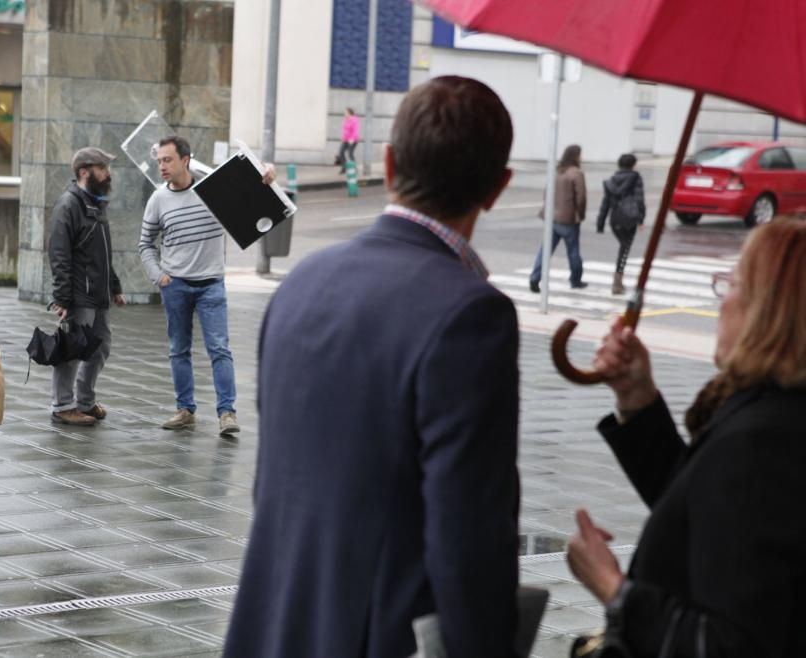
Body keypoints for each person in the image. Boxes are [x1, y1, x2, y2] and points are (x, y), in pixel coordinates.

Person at [224, 76, 521, 658]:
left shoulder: (302, 282)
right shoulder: (472, 314)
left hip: (275, 626)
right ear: (498, 188)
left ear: (387, 164)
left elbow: (273, 486)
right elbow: (469, 540)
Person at [567, 218, 806, 657]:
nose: (721, 302)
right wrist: (637, 400)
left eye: (731, 284)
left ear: (767, 310)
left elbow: (731, 647)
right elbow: (712, 517)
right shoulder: (775, 411)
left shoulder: (763, 441)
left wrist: (614, 590)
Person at [140, 136, 275, 437]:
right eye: (159, 160)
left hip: (211, 284)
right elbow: (145, 243)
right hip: (175, 285)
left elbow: (256, 191)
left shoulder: (213, 191)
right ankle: (185, 410)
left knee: (219, 349)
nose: (161, 166)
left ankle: (227, 413)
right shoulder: (158, 199)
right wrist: (158, 275)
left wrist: (267, 172)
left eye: (167, 160)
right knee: (179, 350)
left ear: (185, 160)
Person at [48, 146, 126, 427]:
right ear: (84, 172)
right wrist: (63, 298)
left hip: (99, 295)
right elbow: (59, 254)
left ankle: (84, 400)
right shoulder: (69, 205)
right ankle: (62, 405)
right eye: (102, 168)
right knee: (72, 350)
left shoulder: (96, 203)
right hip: (79, 296)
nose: (108, 174)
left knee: (100, 347)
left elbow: (102, 254)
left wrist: (114, 286)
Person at [529, 144, 588, 291]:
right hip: (568, 219)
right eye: (580, 155)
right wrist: (580, 214)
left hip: (551, 218)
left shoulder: (557, 171)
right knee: (573, 251)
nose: (582, 157)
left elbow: (546, 192)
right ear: (576, 156)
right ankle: (575, 280)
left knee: (545, 250)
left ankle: (535, 278)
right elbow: (581, 198)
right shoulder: (576, 173)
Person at [596, 153, 646, 295]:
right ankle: (617, 282)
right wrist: (641, 219)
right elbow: (639, 199)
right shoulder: (636, 178)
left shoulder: (611, 181)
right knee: (625, 248)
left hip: (615, 220)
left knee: (624, 247)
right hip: (629, 219)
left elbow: (605, 203)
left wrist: (600, 223)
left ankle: (618, 280)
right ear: (633, 165)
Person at [337, 107, 360, 173]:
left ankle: (354, 168)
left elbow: (355, 131)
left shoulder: (354, 120)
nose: (344, 114)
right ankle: (344, 167)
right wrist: (343, 137)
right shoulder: (345, 120)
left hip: (353, 140)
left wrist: (352, 139)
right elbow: (345, 130)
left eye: (346, 112)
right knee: (341, 152)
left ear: (349, 113)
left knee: (350, 153)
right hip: (345, 140)